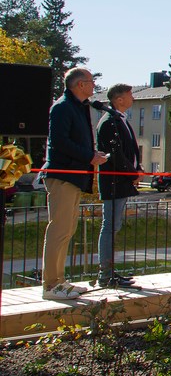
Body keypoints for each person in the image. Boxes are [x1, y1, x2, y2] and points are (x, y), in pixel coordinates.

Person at [40, 67, 109, 300]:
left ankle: (59, 281)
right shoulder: (62, 107)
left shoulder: (78, 107)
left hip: (73, 176)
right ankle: (50, 285)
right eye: (91, 81)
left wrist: (92, 154)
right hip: (62, 176)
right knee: (58, 230)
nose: (93, 86)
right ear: (79, 85)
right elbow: (59, 142)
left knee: (67, 230)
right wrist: (89, 156)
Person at [95, 83, 142, 287]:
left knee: (114, 226)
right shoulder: (109, 122)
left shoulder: (118, 120)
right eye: (130, 95)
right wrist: (132, 173)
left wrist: (136, 169)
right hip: (114, 182)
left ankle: (109, 272)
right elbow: (116, 154)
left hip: (121, 181)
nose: (133, 98)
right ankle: (105, 274)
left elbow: (129, 150)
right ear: (119, 99)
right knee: (110, 226)